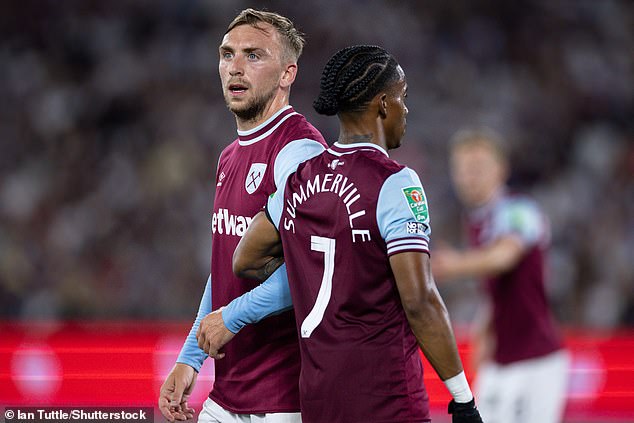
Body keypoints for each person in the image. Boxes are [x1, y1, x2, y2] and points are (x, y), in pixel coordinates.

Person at [220, 45, 483, 423]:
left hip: (318, 400)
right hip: (386, 398)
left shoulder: (299, 178)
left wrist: (306, 261)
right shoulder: (394, 181)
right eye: (402, 98)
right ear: (382, 104)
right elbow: (420, 301)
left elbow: (245, 259)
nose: (406, 110)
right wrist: (462, 400)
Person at [158, 8, 327, 423]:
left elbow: (313, 270)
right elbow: (226, 268)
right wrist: (190, 358)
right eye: (227, 54)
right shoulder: (229, 156)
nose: (235, 67)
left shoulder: (300, 151)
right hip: (227, 395)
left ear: (287, 74)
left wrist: (232, 317)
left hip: (283, 402)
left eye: (253, 56)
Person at [431, 128, 568, 423]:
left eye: (478, 168)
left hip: (536, 362)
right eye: (463, 169)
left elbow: (505, 257)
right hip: (500, 362)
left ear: (500, 169)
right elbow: (498, 288)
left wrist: (455, 265)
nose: (469, 177)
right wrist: (484, 327)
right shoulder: (477, 220)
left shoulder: (518, 210)